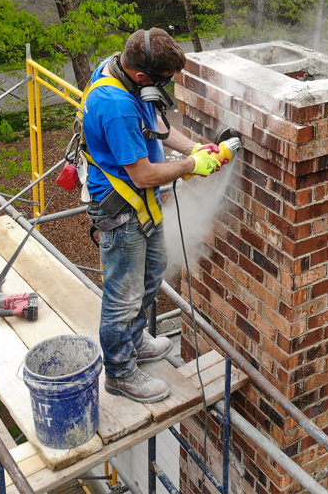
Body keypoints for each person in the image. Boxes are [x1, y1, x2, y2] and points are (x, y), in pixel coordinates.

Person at [82, 28, 223, 403]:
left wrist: (195, 147)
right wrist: (191, 165)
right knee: (123, 299)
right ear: (143, 76)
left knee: (150, 277)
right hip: (123, 212)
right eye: (162, 82)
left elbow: (157, 126)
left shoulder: (121, 70)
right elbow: (143, 174)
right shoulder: (115, 105)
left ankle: (134, 342)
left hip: (143, 207)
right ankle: (120, 372)